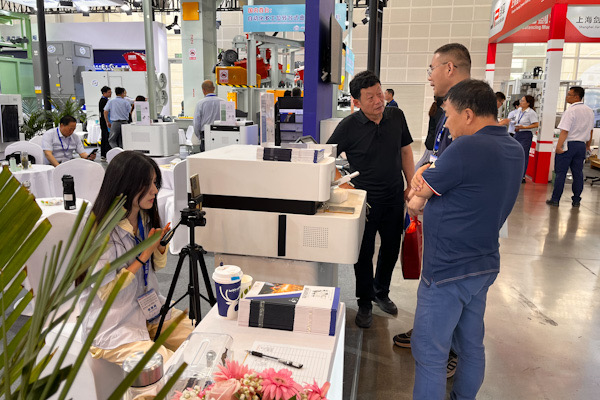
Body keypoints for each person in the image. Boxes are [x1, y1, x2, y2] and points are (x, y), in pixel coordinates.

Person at [407, 80, 523, 400]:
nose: (446, 123)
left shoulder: (465, 148)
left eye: (448, 115)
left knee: (430, 352)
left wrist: (420, 179)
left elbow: (416, 200)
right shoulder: (513, 148)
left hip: (446, 269)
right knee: (471, 345)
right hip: (483, 264)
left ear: (468, 114)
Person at [79, 151, 194, 366]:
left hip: (149, 309)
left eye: (155, 182)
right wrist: (144, 255)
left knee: (199, 340)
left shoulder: (143, 216)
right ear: (127, 185)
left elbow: (156, 267)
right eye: (147, 184)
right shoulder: (101, 230)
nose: (155, 190)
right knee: (168, 367)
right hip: (114, 325)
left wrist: (159, 248)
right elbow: (106, 291)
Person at [394, 43, 471, 350]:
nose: (429, 76)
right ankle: (428, 332)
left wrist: (420, 194)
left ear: (449, 68)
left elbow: (458, 162)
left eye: (432, 69)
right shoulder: (447, 106)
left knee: (448, 284)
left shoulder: (467, 109)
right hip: (439, 206)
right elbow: (439, 154)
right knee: (433, 279)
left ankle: (446, 347)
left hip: (455, 214)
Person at [326, 70, 415, 328]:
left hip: (394, 197)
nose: (378, 101)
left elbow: (406, 151)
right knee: (364, 253)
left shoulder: (396, 116)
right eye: (370, 97)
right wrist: (346, 185)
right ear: (356, 102)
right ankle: (364, 300)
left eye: (379, 93)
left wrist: (410, 184)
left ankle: (381, 292)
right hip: (363, 203)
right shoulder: (348, 126)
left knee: (391, 248)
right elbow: (328, 157)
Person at [547, 86, 594, 207]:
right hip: (581, 146)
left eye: (569, 95)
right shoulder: (589, 111)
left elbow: (564, 131)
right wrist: (588, 146)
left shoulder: (570, 111)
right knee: (578, 173)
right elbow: (591, 130)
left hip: (568, 145)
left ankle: (555, 199)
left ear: (577, 97)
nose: (566, 97)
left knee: (561, 173)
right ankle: (576, 199)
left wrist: (558, 147)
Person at [193, 80, 225, 152]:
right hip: (221, 133)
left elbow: (196, 123)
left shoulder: (200, 103)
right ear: (214, 88)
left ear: (203, 90)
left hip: (205, 135)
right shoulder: (223, 102)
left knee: (206, 156)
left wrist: (199, 136)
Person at [513, 95, 539, 183]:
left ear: (528, 103)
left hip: (525, 135)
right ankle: (515, 173)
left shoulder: (531, 112)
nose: (521, 102)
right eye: (521, 100)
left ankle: (522, 176)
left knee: (523, 155)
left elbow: (536, 124)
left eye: (523, 101)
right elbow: (516, 120)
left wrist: (524, 127)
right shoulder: (519, 110)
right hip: (517, 134)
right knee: (515, 154)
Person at [415, 97, 444, 169]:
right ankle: (414, 173)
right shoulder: (440, 113)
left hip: (431, 142)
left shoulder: (435, 110)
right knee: (427, 162)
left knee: (427, 161)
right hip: (433, 143)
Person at [99, 86, 112, 161]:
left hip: (105, 121)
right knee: (105, 137)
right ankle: (105, 154)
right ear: (104, 93)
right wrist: (107, 121)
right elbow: (104, 112)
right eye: (109, 92)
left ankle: (104, 154)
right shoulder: (103, 101)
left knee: (105, 137)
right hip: (104, 122)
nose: (110, 93)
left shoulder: (106, 100)